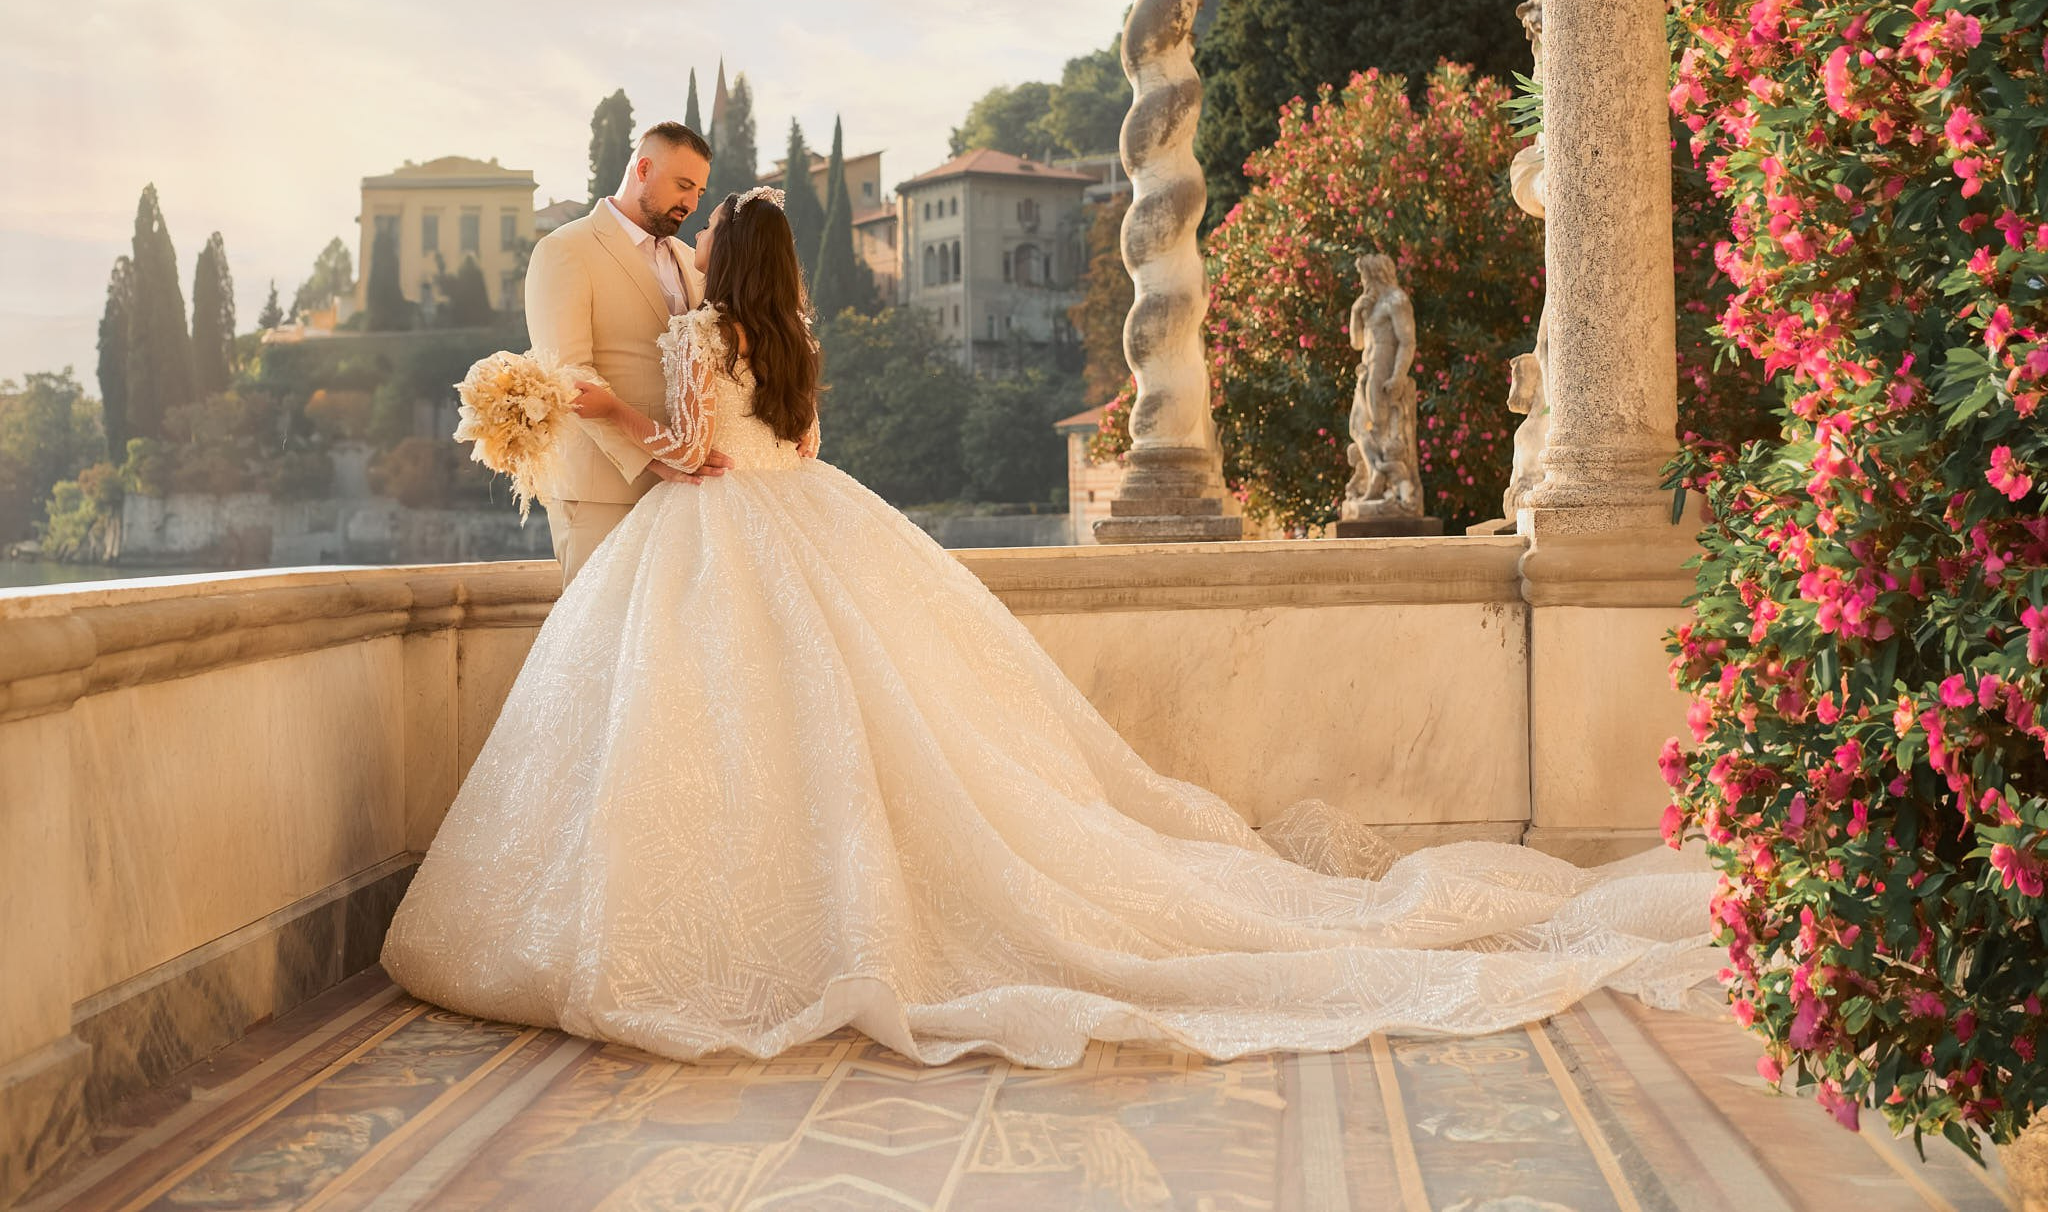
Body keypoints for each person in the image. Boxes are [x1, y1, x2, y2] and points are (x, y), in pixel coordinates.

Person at [381, 188, 1717, 1068]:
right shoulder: (791, 335)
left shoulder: (701, 331)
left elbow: (687, 452)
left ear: (720, 262)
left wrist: (590, 405)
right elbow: (801, 448)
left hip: (719, 525)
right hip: (810, 516)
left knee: (720, 731)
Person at [522, 119, 733, 585]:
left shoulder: (692, 258)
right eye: (683, 185)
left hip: (687, 495)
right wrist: (653, 459)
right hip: (602, 492)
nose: (692, 203)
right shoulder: (564, 250)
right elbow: (567, 374)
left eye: (700, 191)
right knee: (600, 630)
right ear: (643, 169)